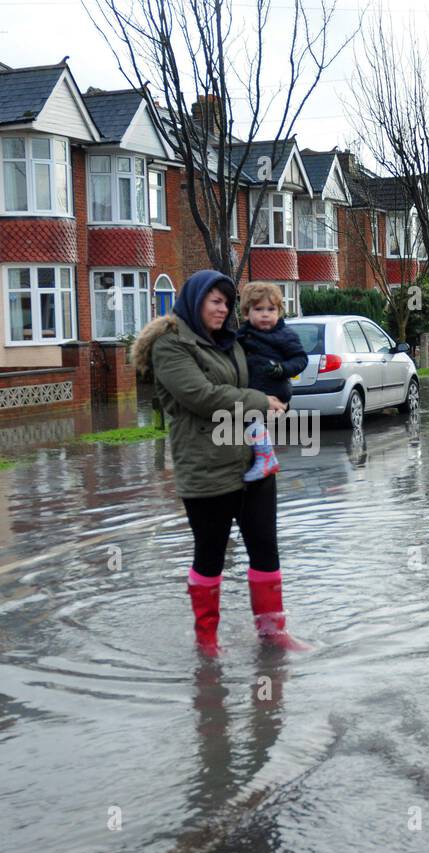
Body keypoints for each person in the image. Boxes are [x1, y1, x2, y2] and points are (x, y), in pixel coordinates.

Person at [132, 269, 308, 657]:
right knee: (210, 554)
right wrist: (260, 401)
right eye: (215, 301)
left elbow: (268, 365)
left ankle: (272, 631)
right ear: (195, 302)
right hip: (205, 465)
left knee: (265, 547)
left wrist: (285, 376)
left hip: (252, 463)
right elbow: (202, 396)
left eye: (226, 303)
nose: (222, 309)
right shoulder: (172, 345)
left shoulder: (230, 342)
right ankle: (207, 641)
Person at [236, 281, 309, 481]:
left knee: (251, 418)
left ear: (279, 311)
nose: (266, 314)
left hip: (275, 387)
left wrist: (282, 369)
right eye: (259, 309)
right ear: (246, 313)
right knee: (247, 420)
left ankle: (266, 457)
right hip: (255, 388)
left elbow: (301, 359)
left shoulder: (285, 335)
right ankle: (259, 455)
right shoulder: (242, 336)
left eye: (271, 309)